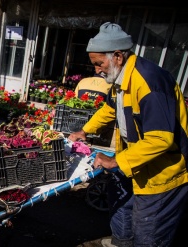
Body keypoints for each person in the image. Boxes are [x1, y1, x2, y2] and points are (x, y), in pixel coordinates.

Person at [68, 22, 188, 247]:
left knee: (148, 232)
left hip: (164, 172)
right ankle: (122, 242)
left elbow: (161, 138)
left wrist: (116, 161)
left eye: (99, 63)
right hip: (137, 161)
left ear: (117, 56)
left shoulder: (149, 81)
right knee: (121, 203)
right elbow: (110, 109)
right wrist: (84, 131)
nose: (96, 70)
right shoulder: (121, 78)